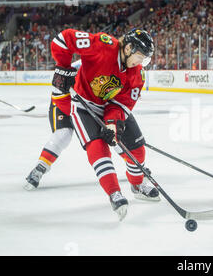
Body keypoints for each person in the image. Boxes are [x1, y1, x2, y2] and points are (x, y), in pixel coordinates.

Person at [47, 28, 159, 221]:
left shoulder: (137, 74)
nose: (141, 63)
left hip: (109, 106)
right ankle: (114, 193)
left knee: (137, 150)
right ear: (128, 48)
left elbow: (122, 104)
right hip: (83, 105)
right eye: (139, 57)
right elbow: (63, 39)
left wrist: (113, 124)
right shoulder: (103, 45)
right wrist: (63, 67)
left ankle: (137, 185)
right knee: (98, 148)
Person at [24, 60, 81, 191]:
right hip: (62, 102)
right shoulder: (78, 64)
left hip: (87, 104)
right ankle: (40, 167)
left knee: (108, 131)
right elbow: (58, 84)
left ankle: (132, 163)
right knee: (64, 132)